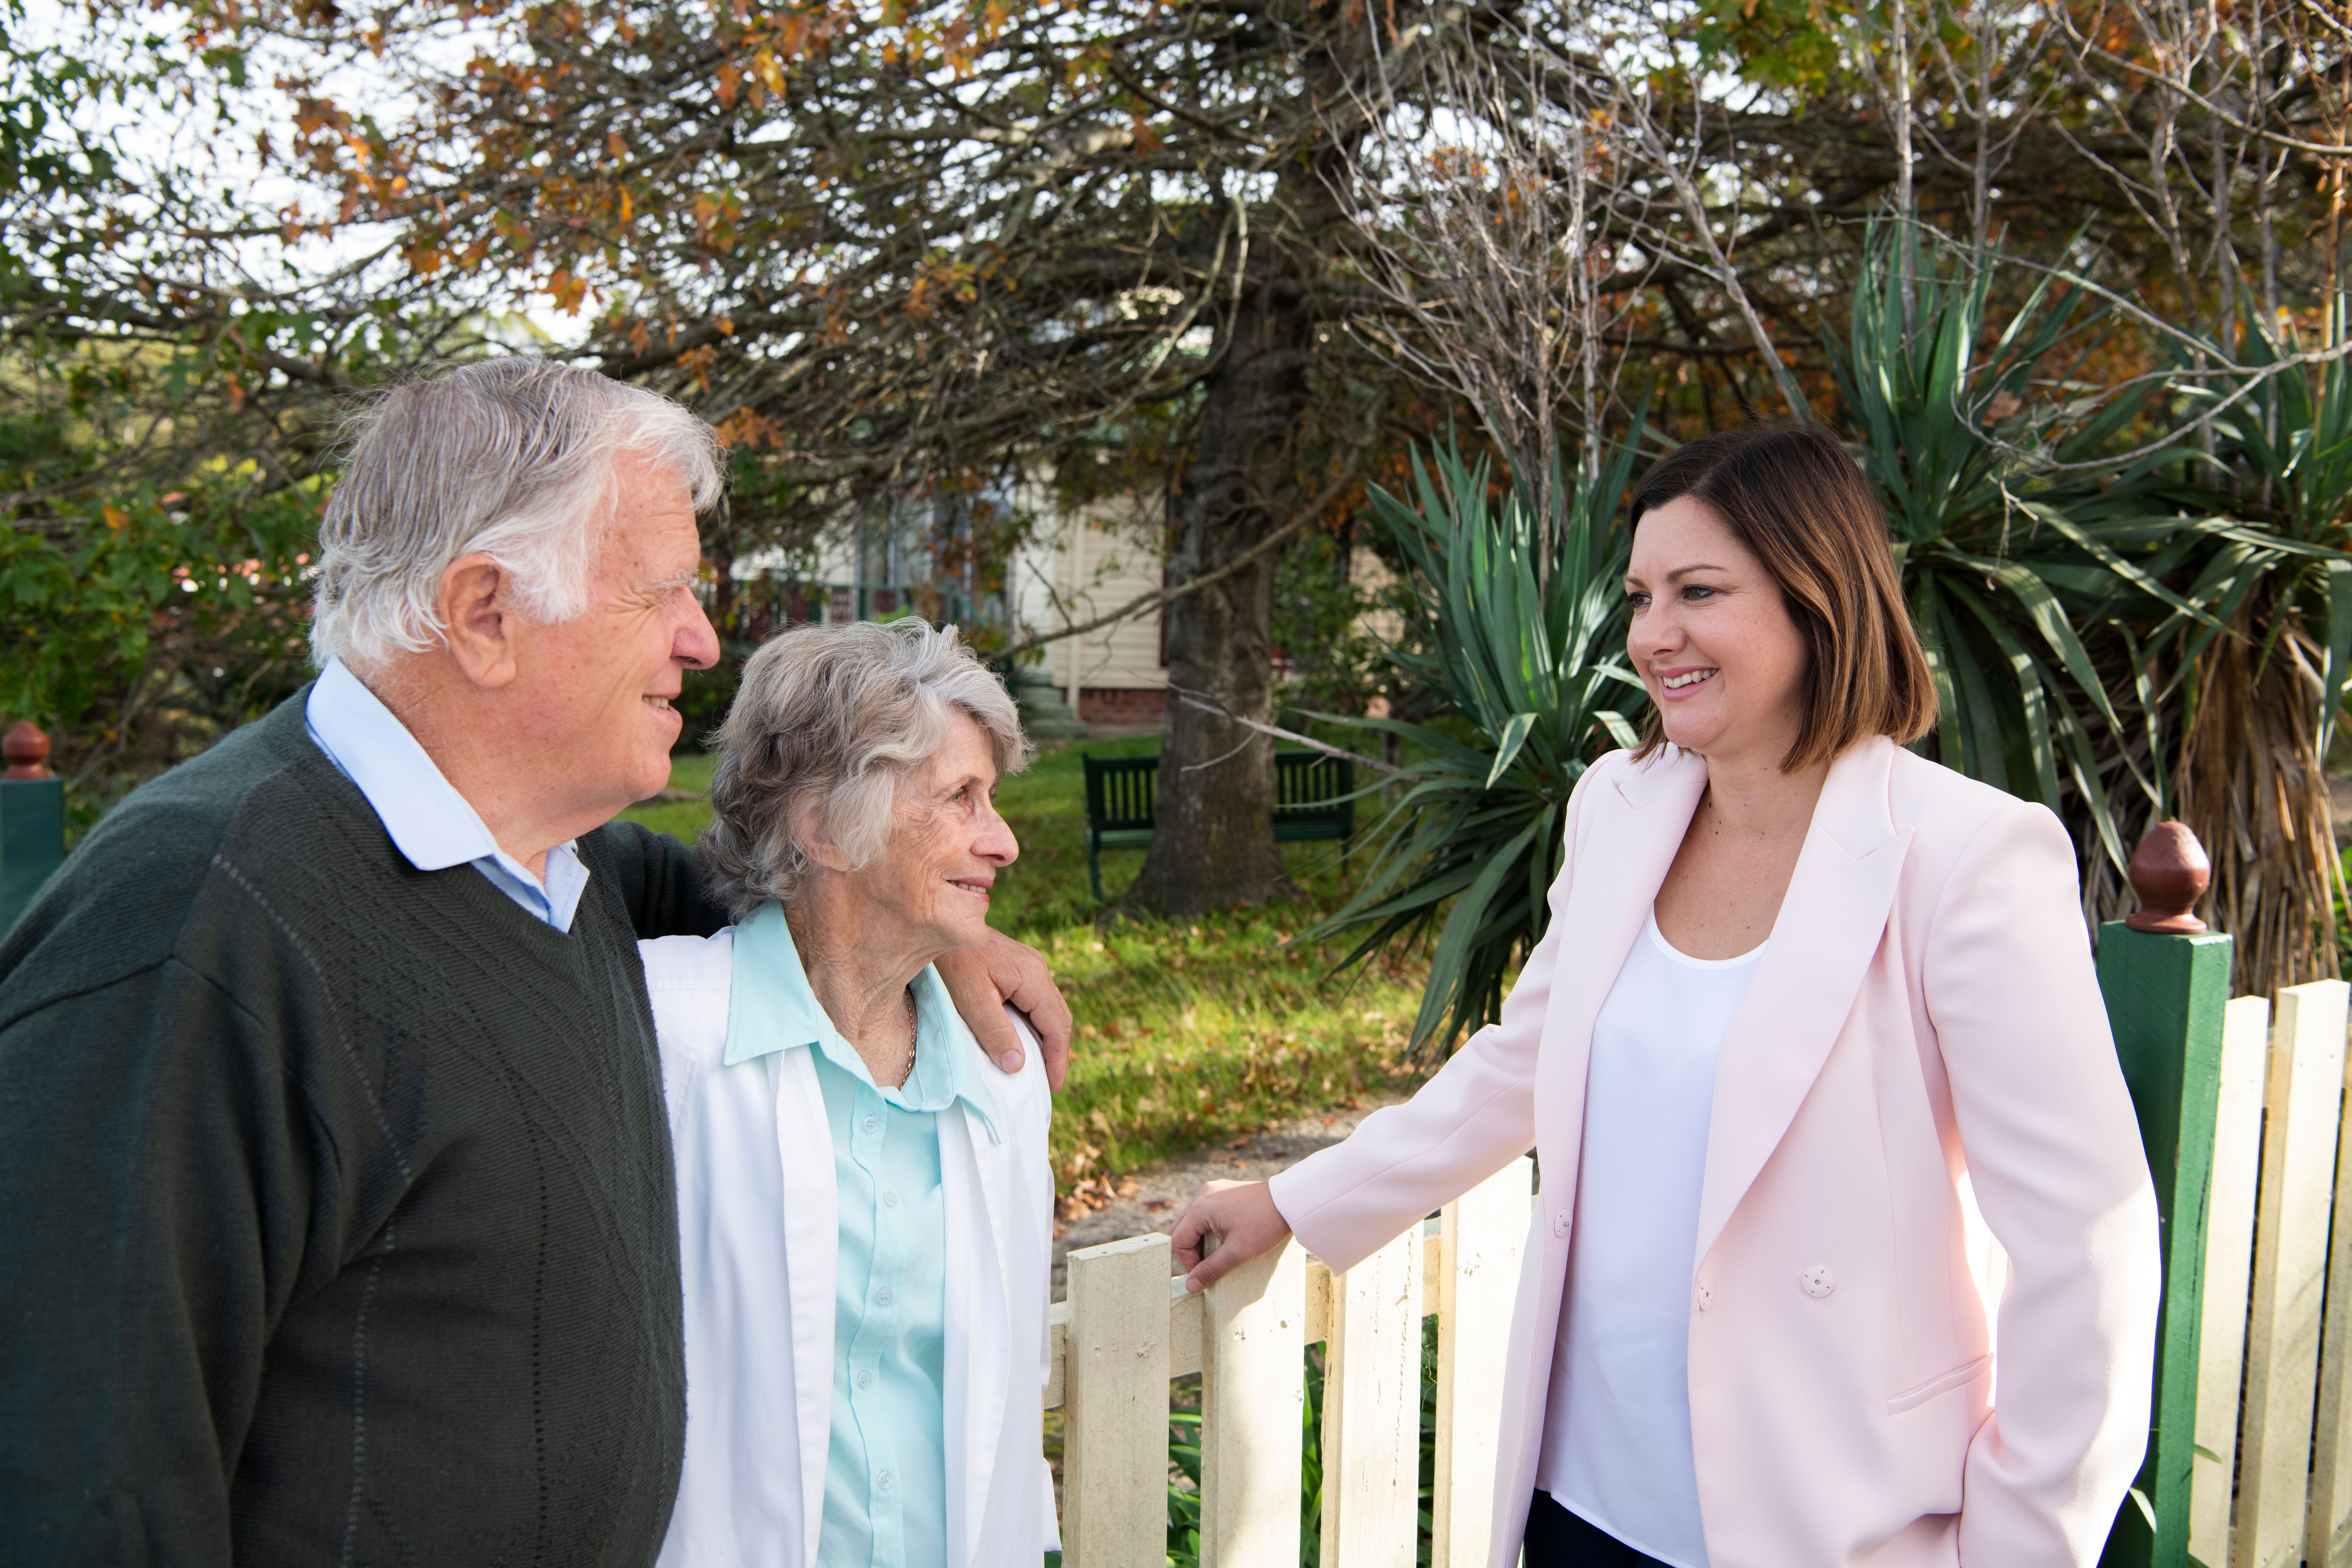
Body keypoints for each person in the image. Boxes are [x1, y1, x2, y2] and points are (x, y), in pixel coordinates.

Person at [0, 358, 1069, 1566]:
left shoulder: (559, 874)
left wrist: (945, 930)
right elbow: (82, 1478)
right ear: (485, 614)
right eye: (663, 589)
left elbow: (794, 899)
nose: (702, 639)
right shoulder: (202, 921)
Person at [1172, 426, 2160, 1568]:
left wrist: (2019, 1548)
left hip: (1829, 1519)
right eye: (1641, 594)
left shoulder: (1967, 857)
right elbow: (1523, 1060)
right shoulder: (1619, 803)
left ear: (1816, 597)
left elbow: (2088, 1244)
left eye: (1699, 590)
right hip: (1582, 1498)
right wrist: (1298, 1198)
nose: (1652, 634)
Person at [639, 619, 1056, 1568]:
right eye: (962, 798)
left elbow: (1015, 1391)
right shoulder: (668, 1037)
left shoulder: (1004, 1076)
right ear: (824, 827)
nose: (1005, 842)